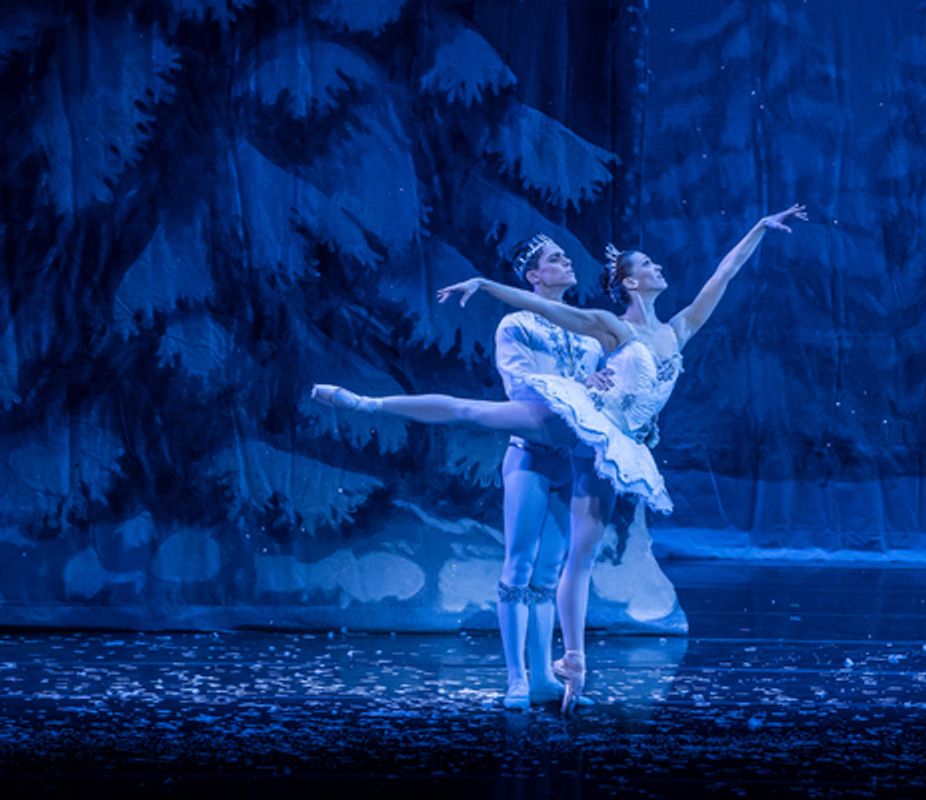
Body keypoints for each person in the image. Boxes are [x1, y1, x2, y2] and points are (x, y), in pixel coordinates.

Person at [312, 204, 808, 711]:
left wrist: (758, 229)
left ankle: (570, 666)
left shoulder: (674, 331)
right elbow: (549, 312)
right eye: (649, 265)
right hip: (572, 419)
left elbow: (721, 278)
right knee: (475, 413)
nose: (660, 268)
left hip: (607, 444)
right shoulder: (610, 327)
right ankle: (366, 402)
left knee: (578, 559)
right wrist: (484, 283)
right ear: (632, 284)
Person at [490, 234, 606, 711]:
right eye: (554, 259)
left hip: (572, 460)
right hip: (530, 456)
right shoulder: (516, 324)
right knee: (518, 565)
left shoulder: (587, 333)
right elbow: (523, 385)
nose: (566, 262)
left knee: (549, 573)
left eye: (565, 256)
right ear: (534, 276)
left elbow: (600, 394)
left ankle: (542, 677)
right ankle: (516, 678)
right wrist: (581, 384)